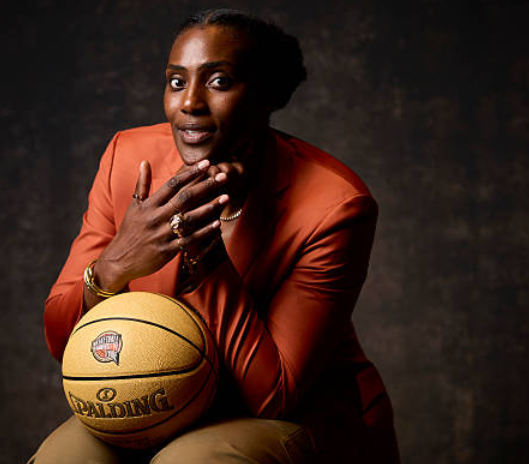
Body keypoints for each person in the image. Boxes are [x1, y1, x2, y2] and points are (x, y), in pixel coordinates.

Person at [31, 9, 399, 464]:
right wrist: (115, 263)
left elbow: (273, 395)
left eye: (219, 81)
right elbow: (60, 340)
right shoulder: (127, 158)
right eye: (176, 81)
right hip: (160, 394)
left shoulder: (334, 205)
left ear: (265, 95)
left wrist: (201, 245)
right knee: (65, 458)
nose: (190, 102)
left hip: (297, 416)